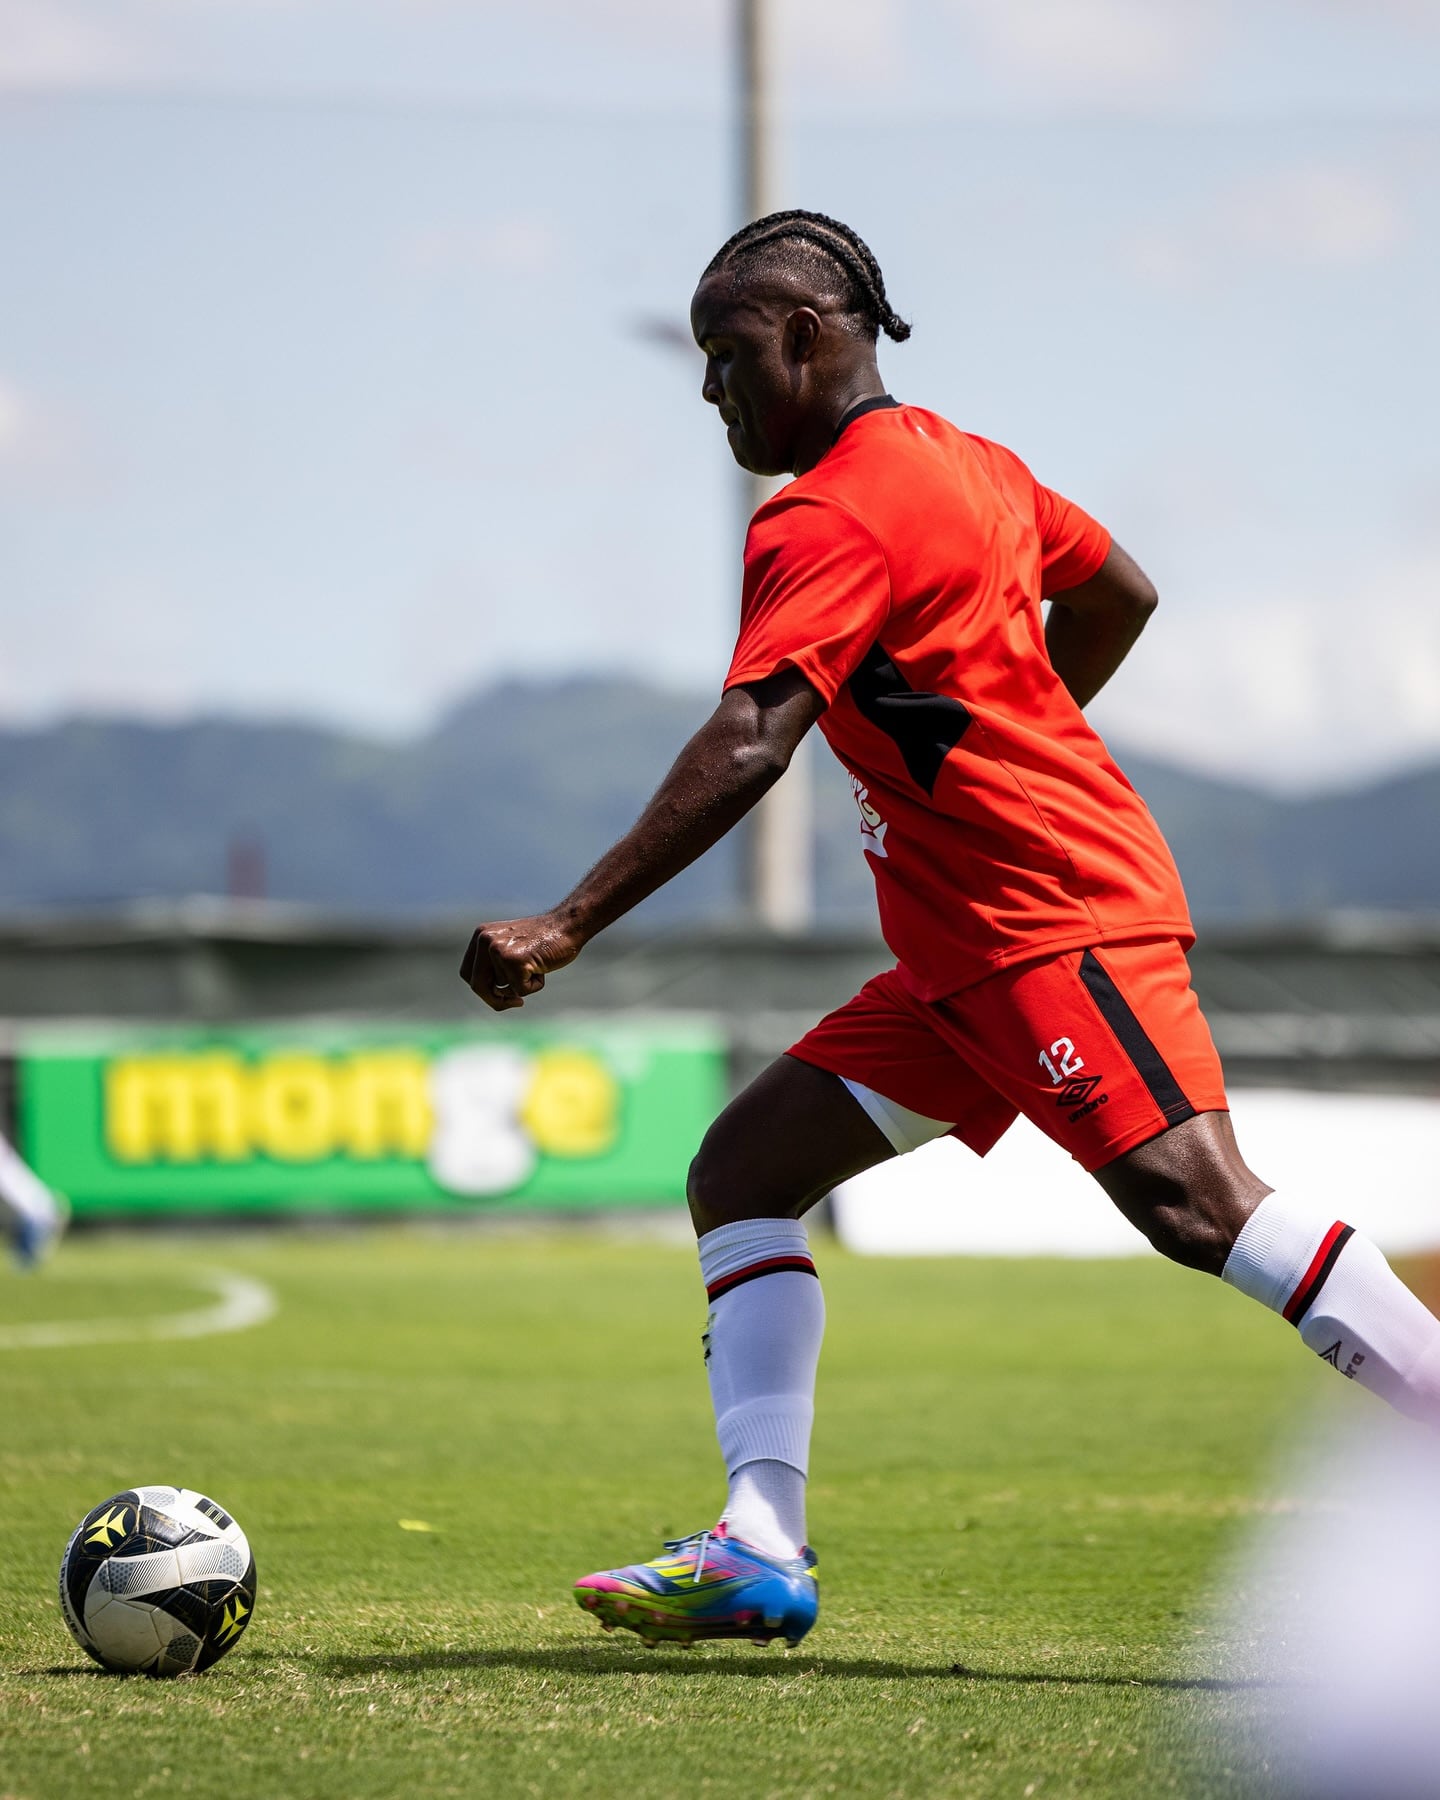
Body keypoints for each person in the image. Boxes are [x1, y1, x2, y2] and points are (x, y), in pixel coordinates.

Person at [460, 209, 1440, 1650]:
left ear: (806, 334)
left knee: (1198, 1203)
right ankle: (758, 1544)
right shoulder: (972, 468)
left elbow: (750, 738)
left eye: (727, 355)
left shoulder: (825, 512)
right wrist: (999, 725)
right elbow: (1120, 591)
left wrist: (565, 922)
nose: (713, 391)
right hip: (960, 955)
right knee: (742, 1171)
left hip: (1050, 921)